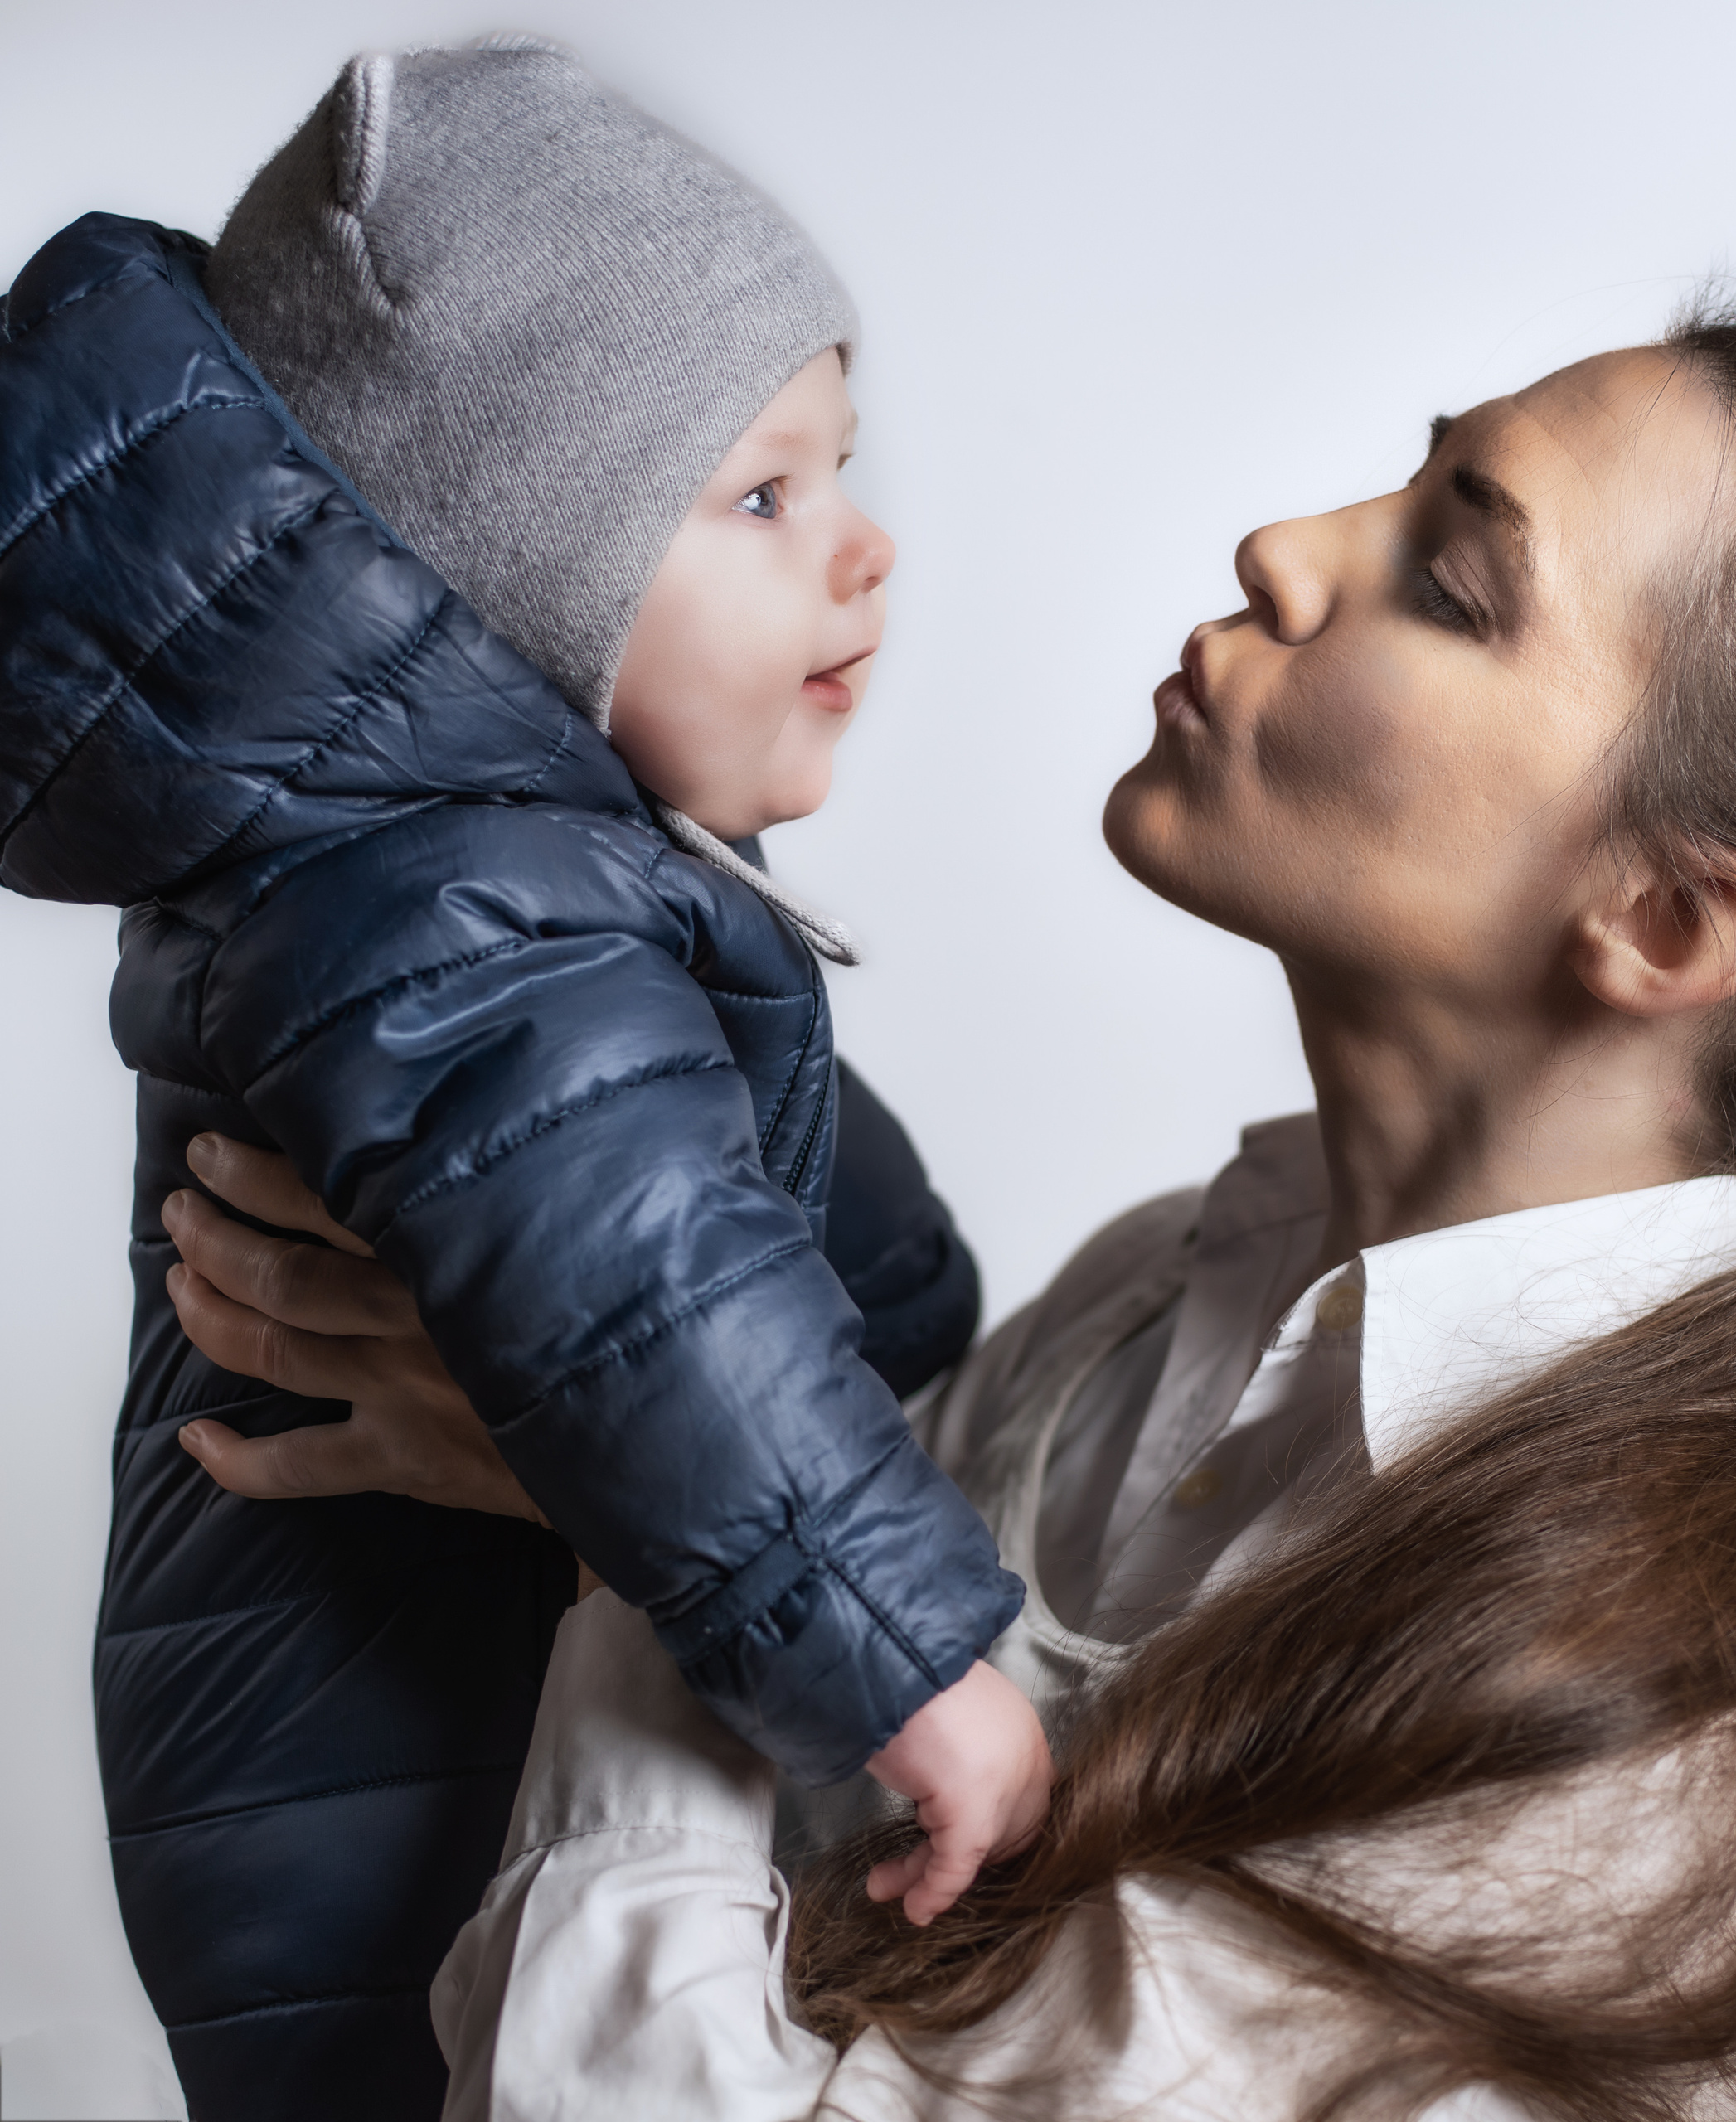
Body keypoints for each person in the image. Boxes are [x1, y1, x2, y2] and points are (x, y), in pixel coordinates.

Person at [167, 308, 1736, 2116]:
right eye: (1405, 475)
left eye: (1451, 584)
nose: (1284, 546)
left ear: (1673, 923)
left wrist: (654, 1520)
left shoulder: (1669, 1736)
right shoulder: (1167, 1283)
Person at [0, 39, 1048, 2121]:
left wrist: (909, 1313)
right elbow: (636, 1264)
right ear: (493, 568)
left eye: (840, 472)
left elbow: (717, 1195)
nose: (863, 550)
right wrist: (907, 1658)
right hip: (394, 1809)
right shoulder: (462, 902)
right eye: (761, 495)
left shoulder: (473, 868)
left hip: (378, 1764)